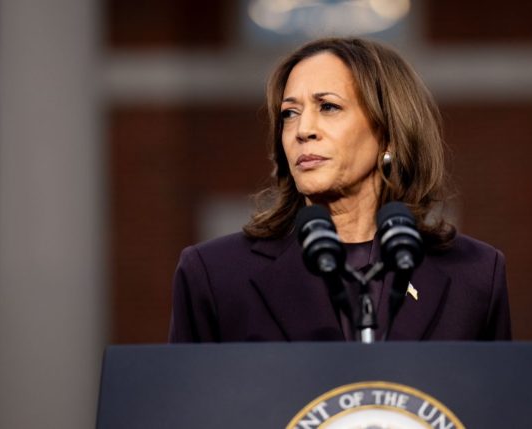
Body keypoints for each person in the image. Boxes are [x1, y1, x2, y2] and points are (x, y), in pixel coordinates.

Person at [169, 37, 510, 342]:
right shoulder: (215, 274)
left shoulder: (475, 275)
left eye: (328, 107)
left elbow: (493, 408)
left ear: (388, 132)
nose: (303, 130)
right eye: (289, 113)